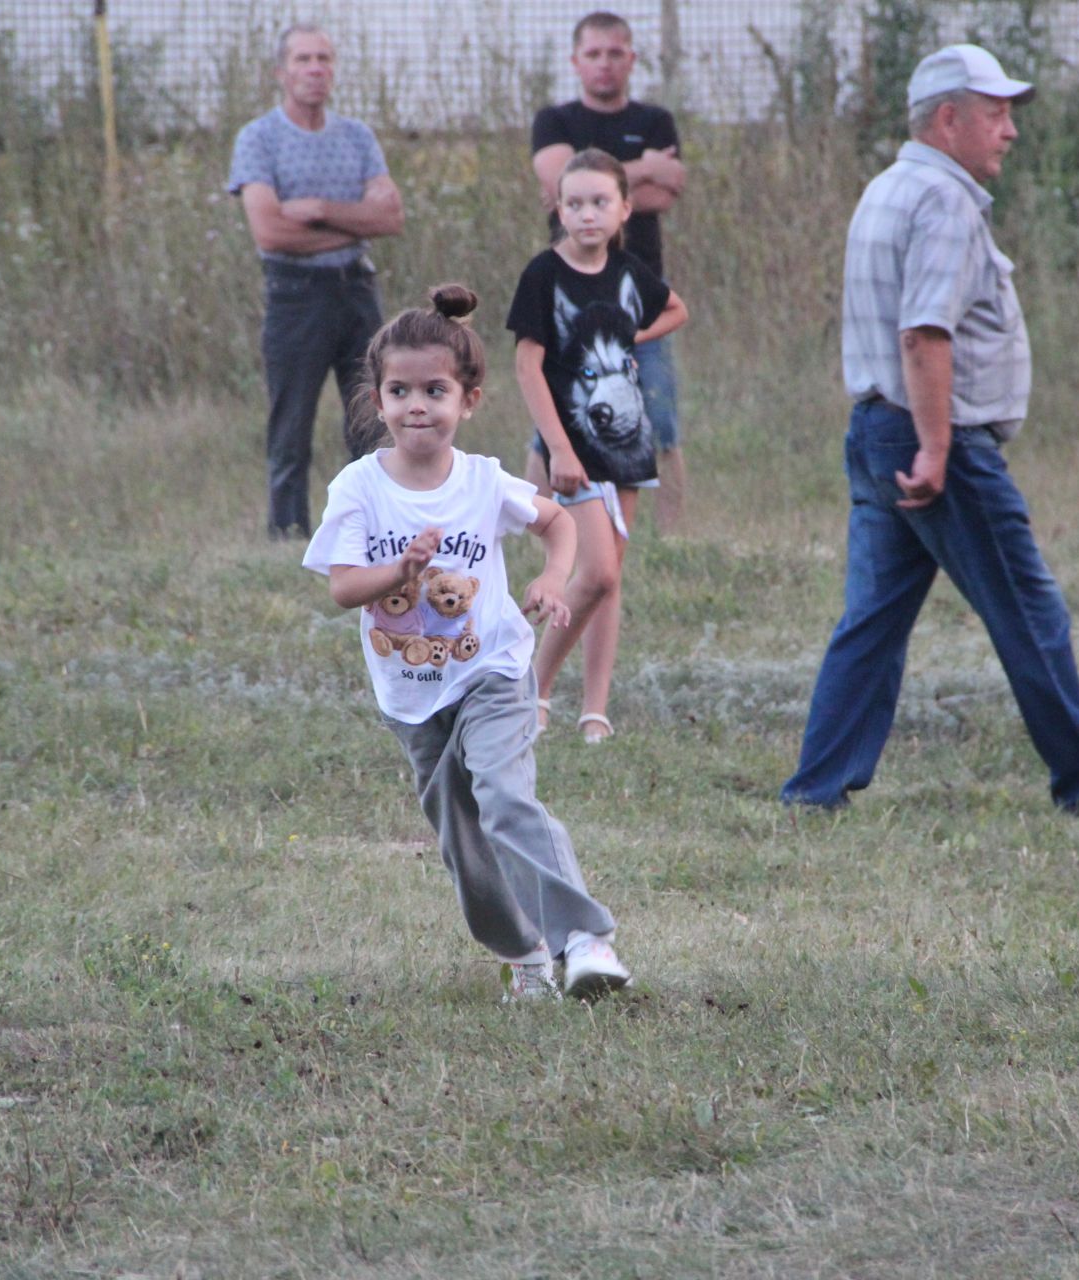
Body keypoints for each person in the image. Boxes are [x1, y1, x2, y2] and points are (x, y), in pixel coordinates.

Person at [780, 45, 1079, 816]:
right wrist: (936, 448)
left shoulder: (888, 188)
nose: (1010, 132)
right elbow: (925, 333)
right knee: (1029, 614)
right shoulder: (944, 202)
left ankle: (815, 792)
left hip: (874, 430)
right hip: (936, 442)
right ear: (948, 118)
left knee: (871, 624)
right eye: (996, 114)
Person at [302, 283, 635, 1002]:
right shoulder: (358, 488)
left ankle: (584, 939)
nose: (415, 405)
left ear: (468, 400)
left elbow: (559, 523)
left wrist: (552, 578)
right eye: (399, 390)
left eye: (434, 390)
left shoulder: (484, 481)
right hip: (412, 695)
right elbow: (343, 588)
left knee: (504, 795)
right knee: (459, 834)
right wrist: (403, 570)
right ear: (378, 398)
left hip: (494, 669)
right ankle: (525, 956)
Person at [507, 148, 687, 743]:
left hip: (627, 445)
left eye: (600, 203)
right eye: (575, 203)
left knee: (610, 580)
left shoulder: (631, 273)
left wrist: (631, 334)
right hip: (572, 447)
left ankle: (595, 710)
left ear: (624, 209)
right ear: (558, 208)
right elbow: (528, 367)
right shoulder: (542, 274)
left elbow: (676, 309)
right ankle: (532, 687)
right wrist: (558, 449)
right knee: (596, 573)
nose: (587, 214)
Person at [229, 23, 404, 540]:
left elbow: (391, 219)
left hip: (357, 291)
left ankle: (374, 531)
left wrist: (321, 212)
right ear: (281, 72)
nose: (315, 69)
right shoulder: (258, 138)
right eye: (303, 59)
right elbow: (270, 230)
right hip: (295, 295)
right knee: (292, 423)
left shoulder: (356, 136)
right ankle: (287, 534)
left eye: (324, 59)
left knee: (371, 416)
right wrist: (352, 224)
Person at [529, 11, 690, 530]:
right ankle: (537, 523)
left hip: (638, 299)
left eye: (615, 53)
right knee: (550, 420)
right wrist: (640, 171)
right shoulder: (554, 121)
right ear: (576, 62)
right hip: (570, 298)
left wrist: (585, 182)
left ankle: (672, 537)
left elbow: (668, 192)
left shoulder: (655, 121)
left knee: (659, 419)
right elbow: (558, 186)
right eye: (593, 54)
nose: (604, 64)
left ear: (632, 60)